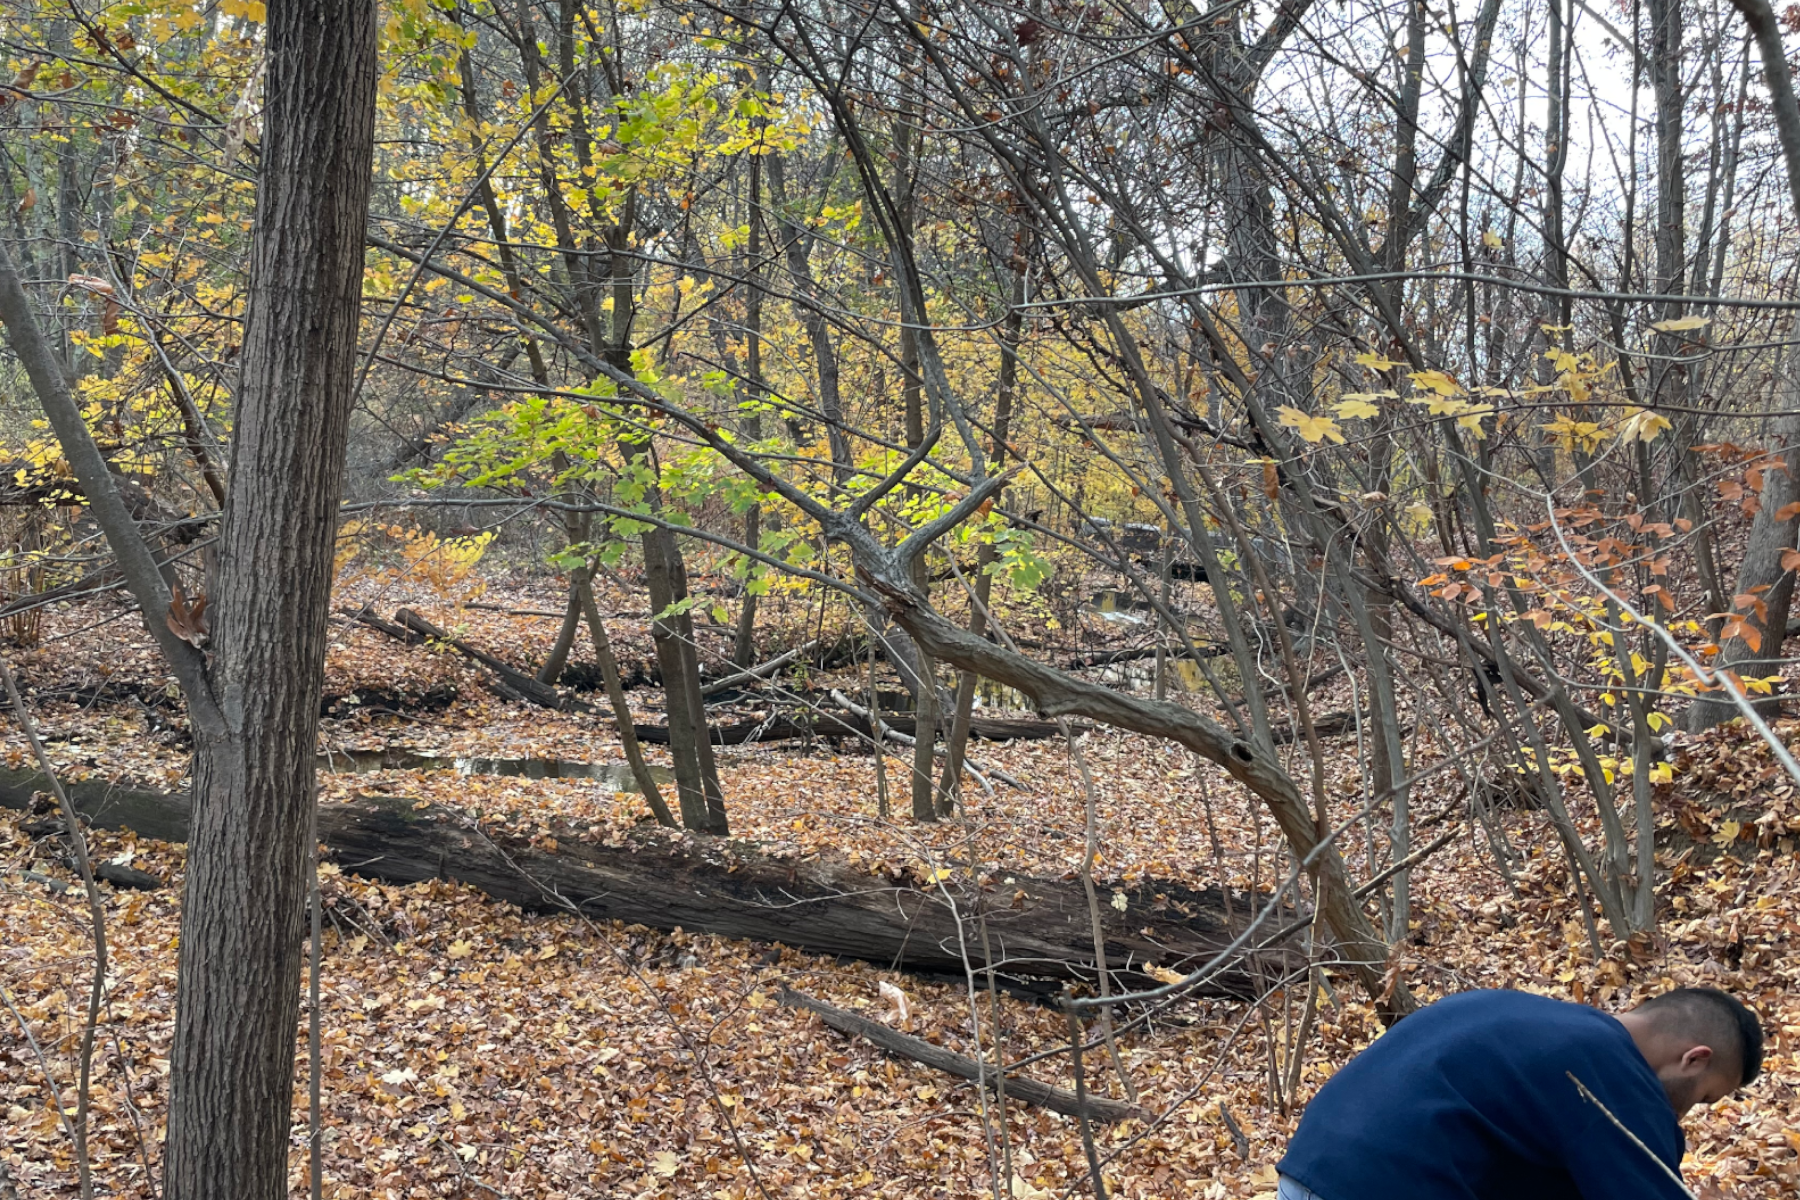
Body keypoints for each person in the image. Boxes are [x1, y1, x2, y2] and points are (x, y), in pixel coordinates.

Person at [1277, 987, 1762, 1200]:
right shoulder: (1609, 1071)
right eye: (1702, 1099)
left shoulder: (1529, 1020)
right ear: (1694, 1058)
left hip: (1308, 1171)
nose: (1685, 1115)